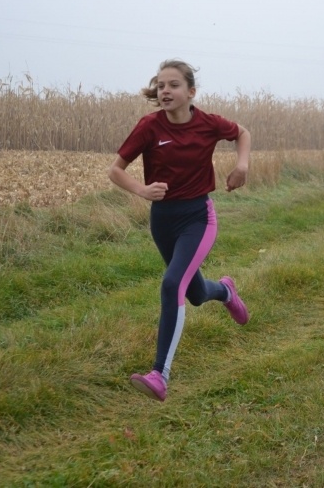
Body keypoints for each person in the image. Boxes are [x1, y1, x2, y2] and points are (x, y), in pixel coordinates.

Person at [108, 59, 252, 402]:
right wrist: (141, 191)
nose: (165, 91)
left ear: (191, 92)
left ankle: (160, 374)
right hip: (162, 219)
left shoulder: (207, 123)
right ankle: (225, 291)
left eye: (173, 85)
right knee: (195, 293)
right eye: (160, 86)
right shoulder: (149, 126)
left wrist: (242, 165)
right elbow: (116, 171)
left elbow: (242, 133)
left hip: (198, 217)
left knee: (173, 282)